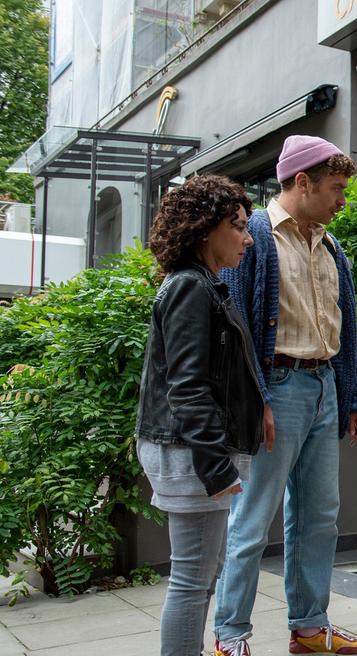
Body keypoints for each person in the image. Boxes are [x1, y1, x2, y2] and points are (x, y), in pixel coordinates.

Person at [213, 136, 357, 656]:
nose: (342, 200)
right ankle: (230, 636)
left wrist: (353, 395)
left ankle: (310, 628)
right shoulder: (255, 238)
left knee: (321, 516)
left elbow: (345, 329)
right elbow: (237, 329)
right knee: (254, 516)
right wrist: (254, 400)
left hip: (324, 385)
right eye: (335, 189)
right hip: (277, 389)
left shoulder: (330, 245)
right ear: (301, 182)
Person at [135, 175, 265, 656]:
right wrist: (216, 468)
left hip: (195, 449)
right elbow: (187, 387)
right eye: (237, 227)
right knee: (192, 580)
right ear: (205, 229)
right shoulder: (191, 287)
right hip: (191, 453)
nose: (247, 238)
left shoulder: (200, 285)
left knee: (199, 577)